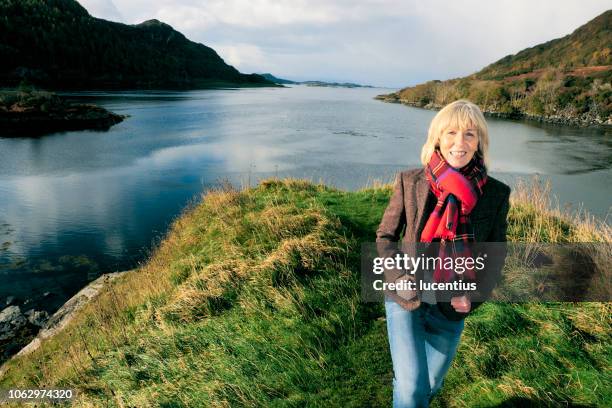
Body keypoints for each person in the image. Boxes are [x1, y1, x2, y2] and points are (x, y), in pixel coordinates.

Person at [376, 100, 510, 407]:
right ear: (437, 136)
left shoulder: (496, 195)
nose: (459, 143)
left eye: (469, 135)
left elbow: (495, 256)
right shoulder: (410, 182)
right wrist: (397, 276)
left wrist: (473, 297)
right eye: (451, 132)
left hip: (450, 307)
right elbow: (385, 237)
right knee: (411, 388)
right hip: (406, 298)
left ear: (479, 143)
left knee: (431, 386)